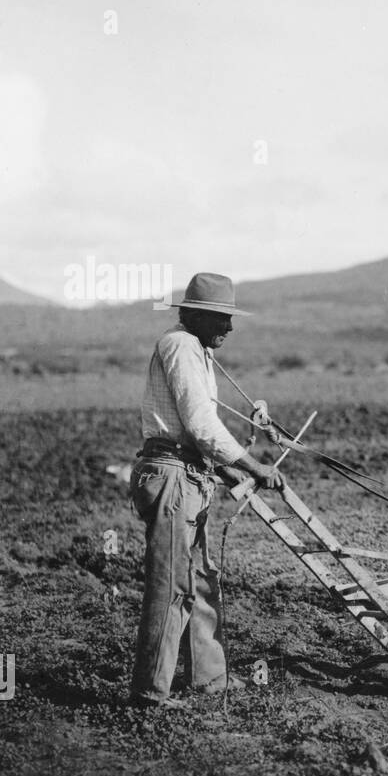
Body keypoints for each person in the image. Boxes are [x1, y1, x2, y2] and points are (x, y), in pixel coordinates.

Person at [129, 272, 284, 709]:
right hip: (172, 476)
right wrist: (253, 465)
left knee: (198, 581)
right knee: (173, 584)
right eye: (221, 318)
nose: (229, 328)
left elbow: (198, 433)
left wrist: (234, 473)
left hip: (190, 474)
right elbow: (199, 424)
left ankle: (209, 678)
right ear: (193, 314)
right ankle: (150, 694)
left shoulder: (195, 349)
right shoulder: (179, 345)